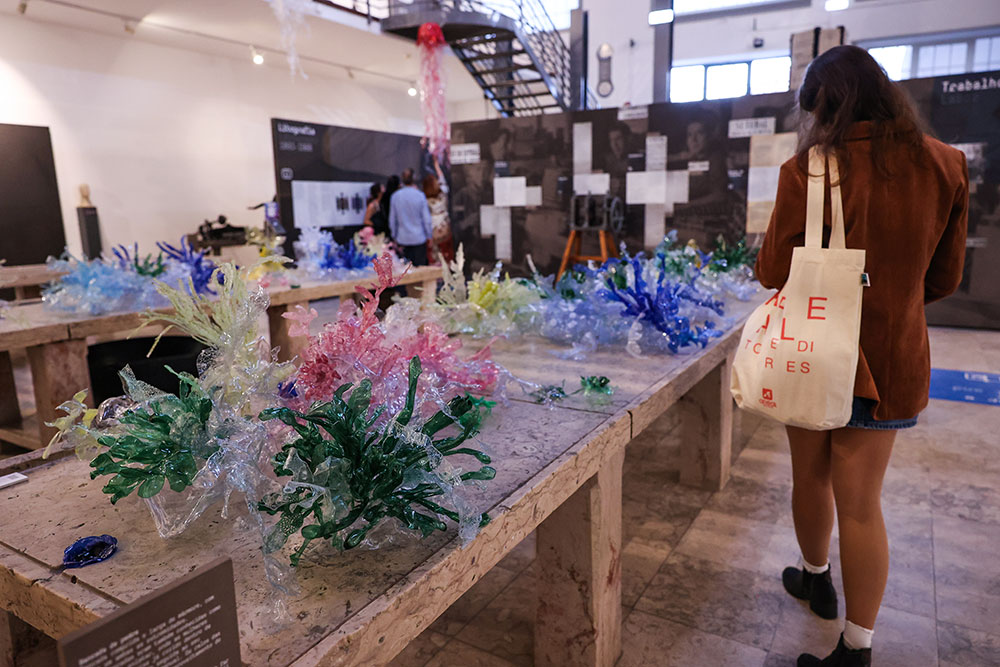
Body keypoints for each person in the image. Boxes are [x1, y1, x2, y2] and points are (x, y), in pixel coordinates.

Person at [755, 45, 968, 667]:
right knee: (862, 505)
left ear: (826, 107)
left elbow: (772, 269)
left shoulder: (806, 171)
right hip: (892, 359)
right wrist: (891, 299)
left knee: (810, 476)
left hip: (813, 350)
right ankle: (857, 645)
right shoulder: (945, 164)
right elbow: (944, 279)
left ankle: (816, 577)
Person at [389, 167, 433, 266]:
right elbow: (426, 219)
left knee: (404, 270)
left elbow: (392, 220)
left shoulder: (395, 196)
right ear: (413, 178)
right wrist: (429, 235)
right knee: (420, 270)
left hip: (402, 238)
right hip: (419, 238)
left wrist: (394, 236)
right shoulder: (420, 195)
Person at [423, 155, 455, 264]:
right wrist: (436, 165)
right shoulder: (443, 195)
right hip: (444, 225)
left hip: (433, 228)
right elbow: (442, 179)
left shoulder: (425, 200)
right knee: (447, 252)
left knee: (435, 254)